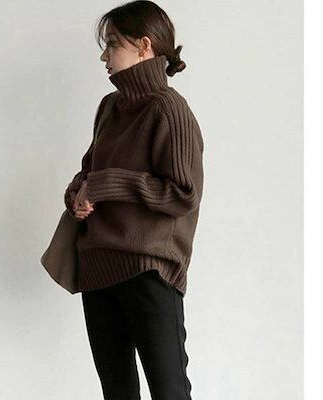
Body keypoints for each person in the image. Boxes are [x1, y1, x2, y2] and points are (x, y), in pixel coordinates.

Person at [64, 1, 204, 399]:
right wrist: (77, 196)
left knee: (169, 391)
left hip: (149, 270)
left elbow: (183, 192)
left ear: (144, 46)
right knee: (117, 392)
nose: (104, 56)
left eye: (112, 44)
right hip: (98, 268)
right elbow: (89, 170)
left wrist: (105, 185)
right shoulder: (110, 107)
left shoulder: (169, 110)